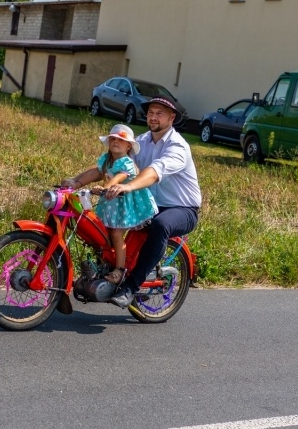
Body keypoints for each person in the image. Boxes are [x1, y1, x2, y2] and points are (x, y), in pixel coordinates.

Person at [62, 95, 202, 308]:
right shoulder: (141, 142)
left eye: (160, 114)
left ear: (171, 118)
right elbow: (112, 167)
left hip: (181, 208)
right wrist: (76, 182)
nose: (154, 117)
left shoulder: (178, 147)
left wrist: (126, 186)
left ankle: (130, 287)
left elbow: (154, 172)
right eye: (151, 113)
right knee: (107, 227)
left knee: (160, 225)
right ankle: (109, 270)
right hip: (149, 204)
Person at [91, 124, 158, 283]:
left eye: (121, 140)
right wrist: (76, 182)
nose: (116, 142)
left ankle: (119, 270)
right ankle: (103, 265)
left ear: (129, 145)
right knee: (100, 234)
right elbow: (95, 172)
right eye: (113, 139)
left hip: (127, 205)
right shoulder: (106, 159)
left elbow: (119, 178)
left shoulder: (126, 162)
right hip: (111, 203)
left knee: (116, 234)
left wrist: (105, 188)